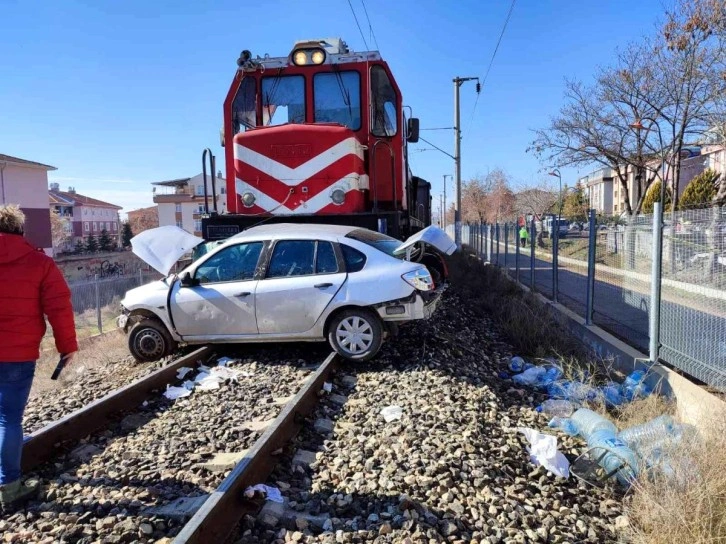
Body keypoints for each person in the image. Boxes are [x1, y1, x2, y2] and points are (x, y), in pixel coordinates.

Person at [0, 205, 77, 510]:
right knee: (8, 419)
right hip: (17, 354)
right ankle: (9, 486)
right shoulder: (39, 262)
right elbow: (59, 307)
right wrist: (67, 346)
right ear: (19, 231)